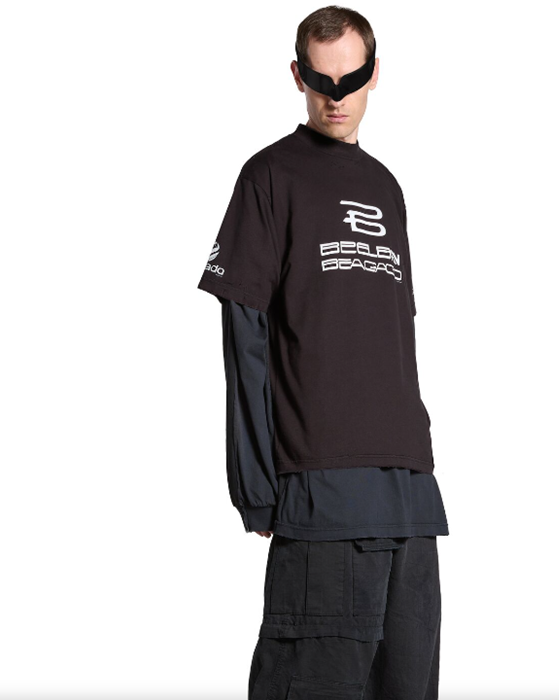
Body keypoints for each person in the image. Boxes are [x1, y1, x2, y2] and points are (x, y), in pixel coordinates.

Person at [197, 7, 449, 698]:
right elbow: (245, 337)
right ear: (297, 76)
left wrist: (419, 468)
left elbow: (393, 335)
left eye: (352, 79)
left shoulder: (387, 187)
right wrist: (256, 485)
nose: (336, 96)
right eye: (321, 80)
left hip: (411, 498)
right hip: (323, 491)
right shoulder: (269, 176)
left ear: (376, 75)